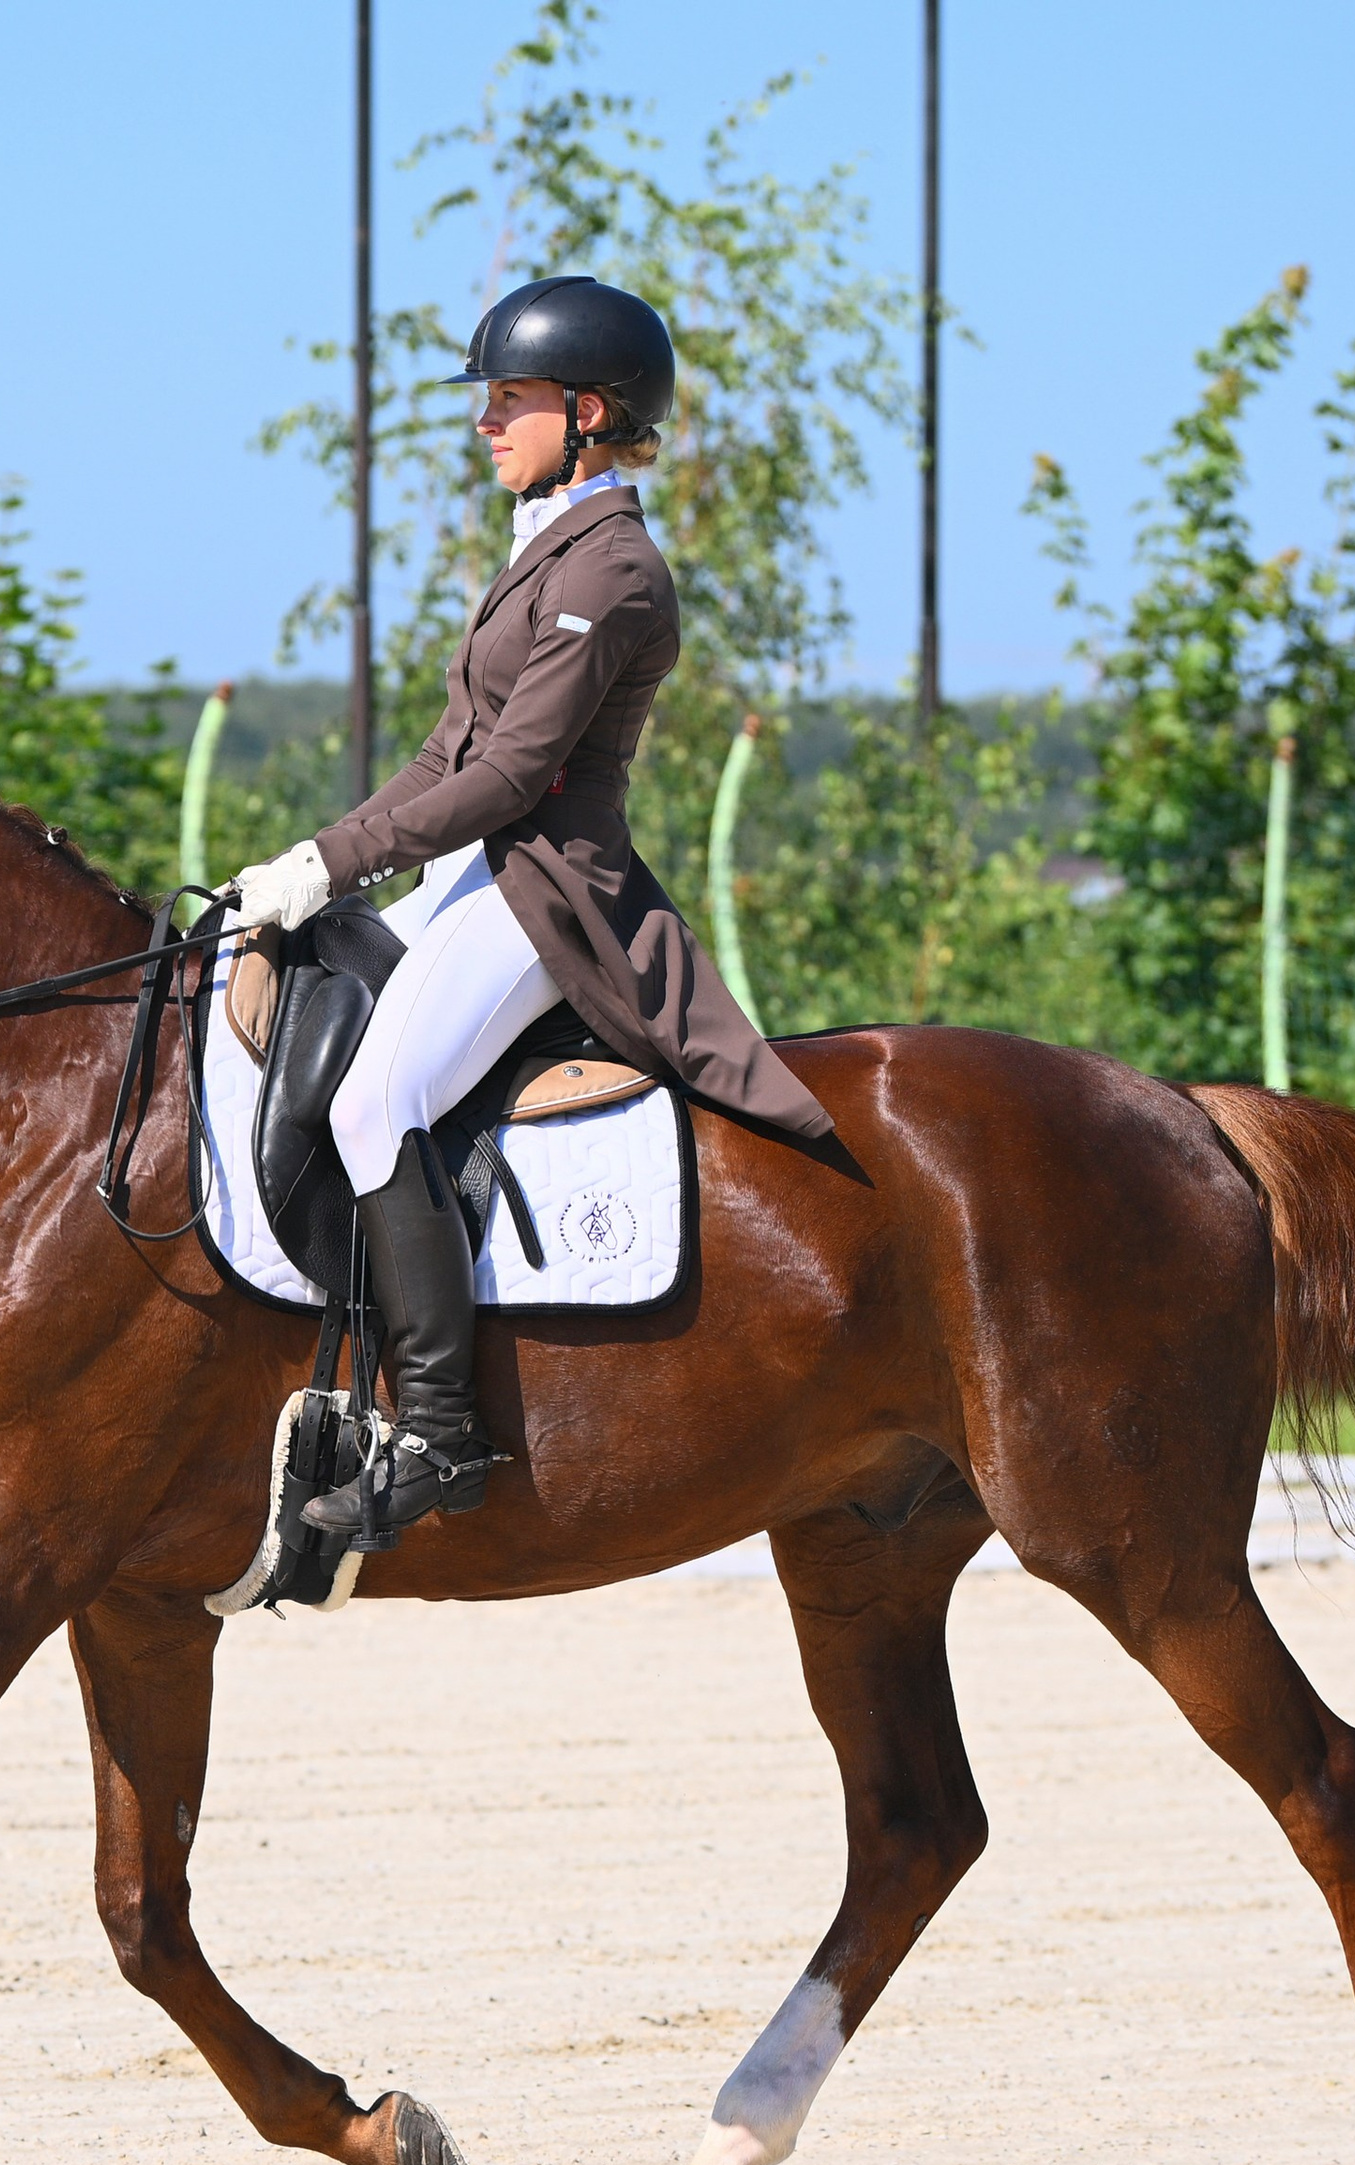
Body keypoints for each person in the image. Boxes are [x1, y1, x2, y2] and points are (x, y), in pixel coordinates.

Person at [223, 274, 835, 1543]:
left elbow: (510, 778)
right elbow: (446, 757)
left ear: (590, 410)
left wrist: (334, 867)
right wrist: (315, 861)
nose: (483, 420)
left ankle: (441, 1435)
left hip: (548, 890)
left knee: (372, 1098)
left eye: (508, 398)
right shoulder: (540, 551)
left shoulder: (611, 571)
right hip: (473, 872)